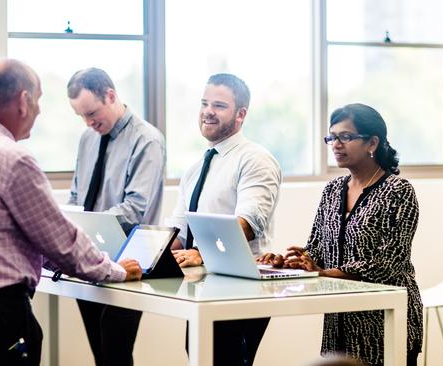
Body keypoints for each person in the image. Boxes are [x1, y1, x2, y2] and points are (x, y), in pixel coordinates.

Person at [0, 59, 142, 366]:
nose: (39, 111)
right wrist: (116, 270)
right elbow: (60, 240)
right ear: (23, 101)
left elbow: (27, 237)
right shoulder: (10, 157)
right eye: (38, 100)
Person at [258, 103, 423, 366]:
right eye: (332, 137)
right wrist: (293, 262)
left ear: (372, 143)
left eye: (345, 137)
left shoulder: (399, 191)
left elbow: (390, 262)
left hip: (385, 321)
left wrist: (323, 273)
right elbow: (317, 249)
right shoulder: (332, 190)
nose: (336, 144)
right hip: (339, 321)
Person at [165, 73, 281, 365]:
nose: (207, 111)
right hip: (201, 288)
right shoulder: (195, 168)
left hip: (242, 290)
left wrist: (200, 253)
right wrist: (148, 253)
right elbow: (178, 232)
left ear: (241, 114)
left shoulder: (255, 159)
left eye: (219, 105)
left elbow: (248, 224)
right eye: (204, 103)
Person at [67, 67, 166, 366]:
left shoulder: (146, 140)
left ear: (110, 95)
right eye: (81, 116)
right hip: (90, 259)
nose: (88, 122)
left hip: (129, 262)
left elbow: (135, 209)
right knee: (101, 354)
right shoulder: (87, 138)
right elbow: (77, 196)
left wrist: (82, 228)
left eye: (92, 112)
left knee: (115, 353)